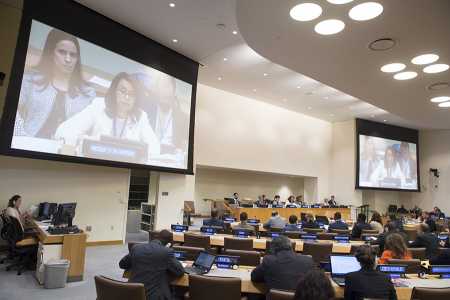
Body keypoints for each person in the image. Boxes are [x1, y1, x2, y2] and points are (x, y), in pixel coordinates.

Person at [55, 72, 160, 163]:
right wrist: (87, 142)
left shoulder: (141, 117)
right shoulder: (98, 106)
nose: (127, 97)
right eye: (123, 91)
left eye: (132, 94)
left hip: (125, 170)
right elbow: (64, 131)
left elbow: (155, 149)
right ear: (114, 91)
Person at [14, 28, 95, 138]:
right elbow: (12, 111)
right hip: (29, 147)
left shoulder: (87, 92)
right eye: (62, 52)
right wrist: (22, 137)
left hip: (68, 152)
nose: (68, 59)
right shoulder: (30, 80)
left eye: (73, 55)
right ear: (51, 52)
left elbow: (91, 128)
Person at [119, 229, 184, 300]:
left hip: (134, 294)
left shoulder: (136, 248)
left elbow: (122, 264)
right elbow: (179, 271)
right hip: (156, 297)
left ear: (156, 237)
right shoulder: (167, 252)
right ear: (169, 243)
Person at [142, 73, 190, 155]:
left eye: (167, 86)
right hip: (148, 157)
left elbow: (185, 147)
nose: (164, 91)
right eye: (161, 87)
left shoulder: (184, 118)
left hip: (172, 162)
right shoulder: (146, 112)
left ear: (174, 91)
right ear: (157, 92)